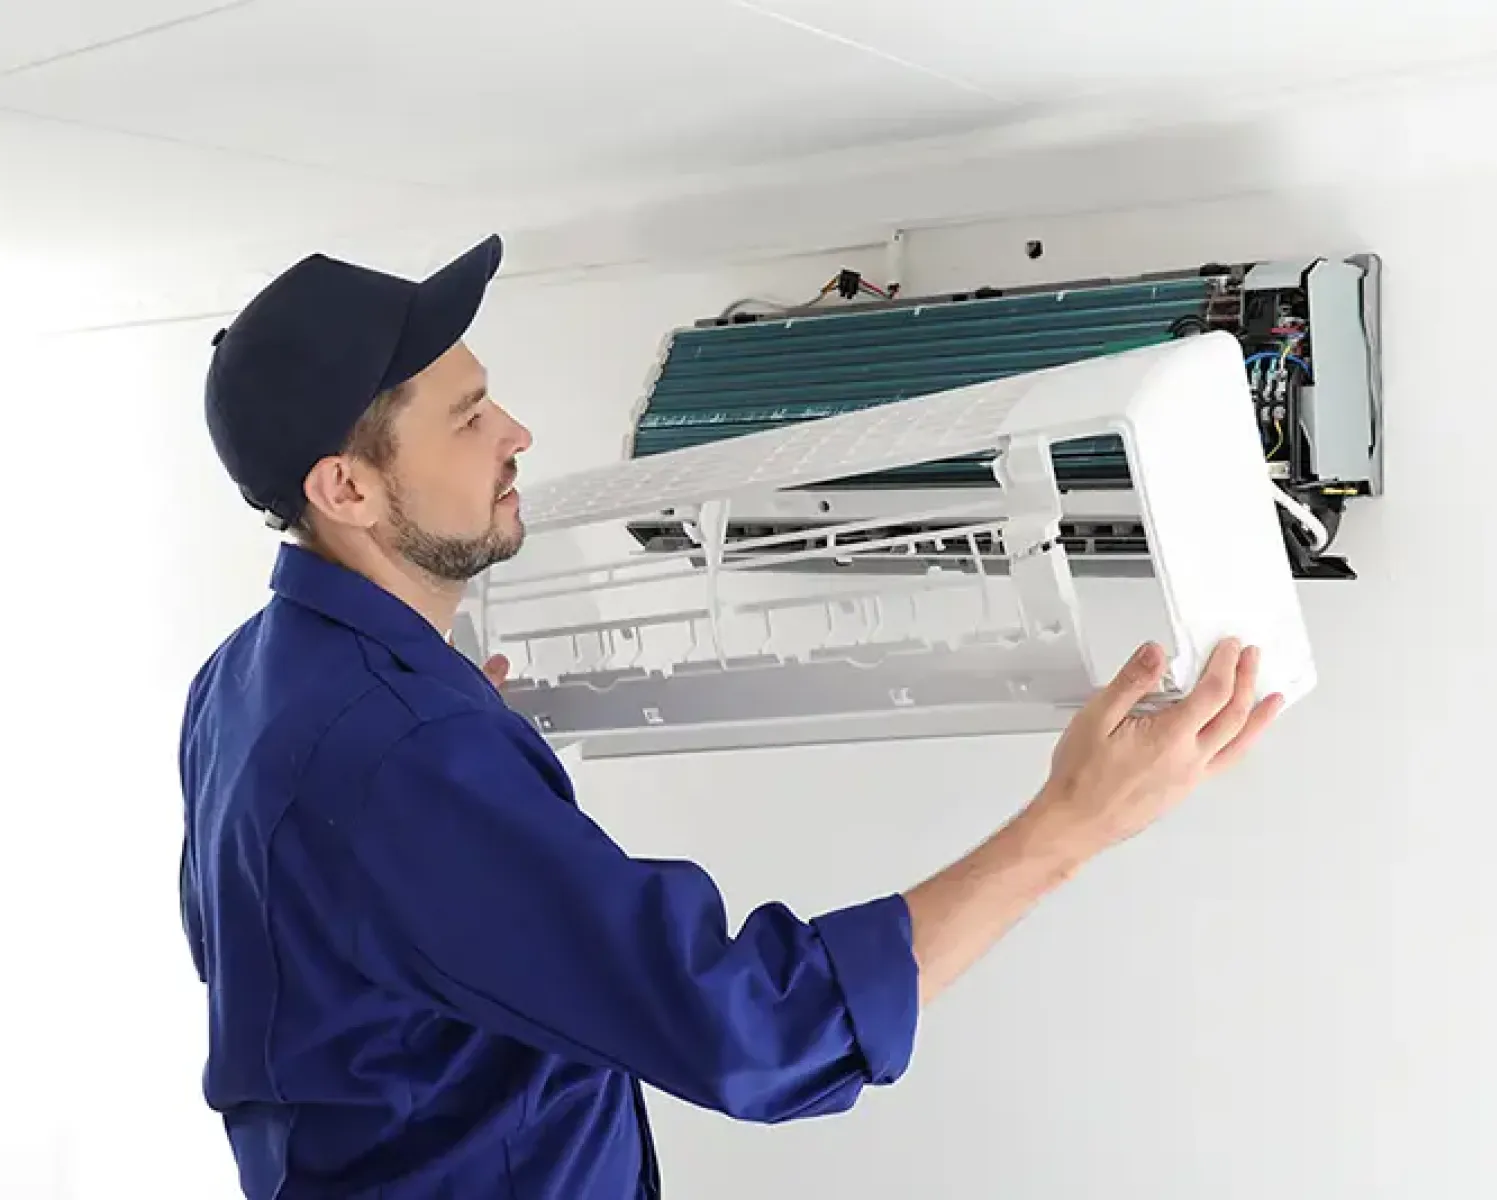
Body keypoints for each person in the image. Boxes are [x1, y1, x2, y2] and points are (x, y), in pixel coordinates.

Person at [179, 233, 1284, 1199]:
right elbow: (759, 1035)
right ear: (346, 490)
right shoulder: (404, 758)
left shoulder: (251, 681)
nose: (517, 430)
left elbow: (335, 946)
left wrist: (455, 744)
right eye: (469, 419)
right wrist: (1071, 825)